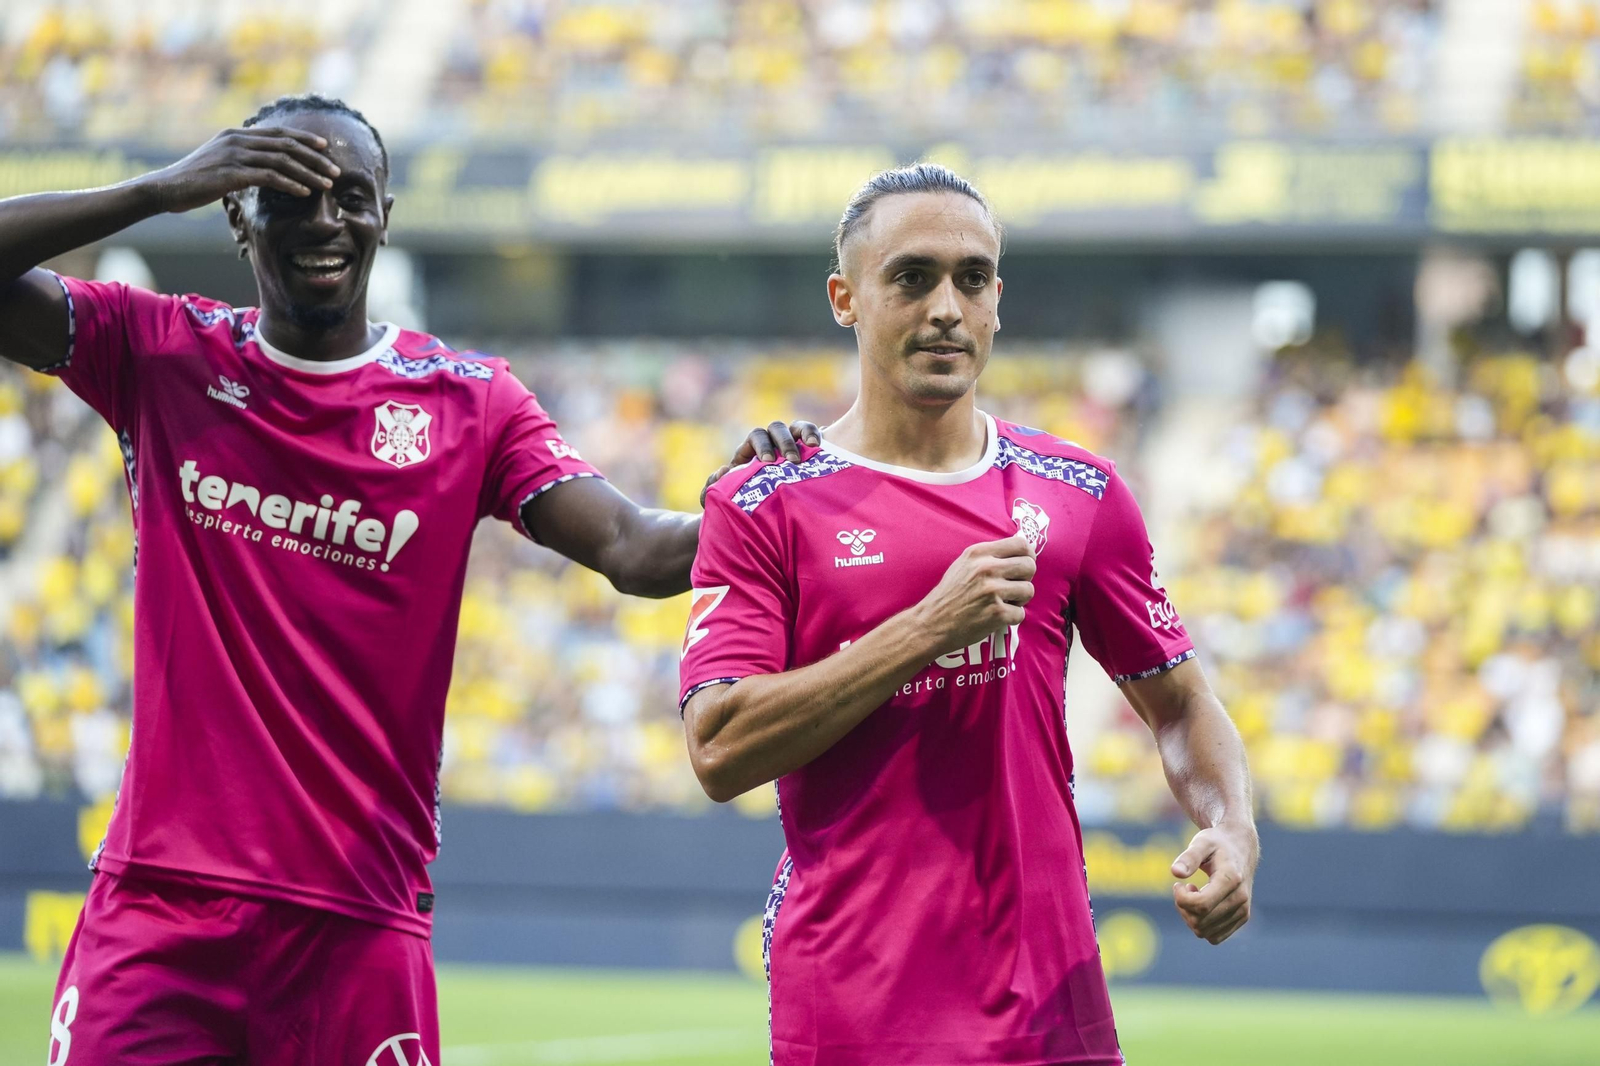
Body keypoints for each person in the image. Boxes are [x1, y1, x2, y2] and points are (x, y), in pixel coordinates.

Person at [0, 93, 814, 1066]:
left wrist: (748, 501)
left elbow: (633, 549)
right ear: (235, 213)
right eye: (287, 196)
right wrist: (159, 186)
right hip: (165, 912)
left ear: (384, 213)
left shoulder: (470, 403)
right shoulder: (164, 353)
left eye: (350, 195)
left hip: (359, 928)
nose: (324, 221)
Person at [680, 163, 1259, 1066]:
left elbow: (1181, 706)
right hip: (854, 1007)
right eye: (912, 278)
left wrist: (1232, 825)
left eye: (972, 278)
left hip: (1049, 1002)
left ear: (997, 301)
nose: (946, 306)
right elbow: (718, 749)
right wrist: (925, 628)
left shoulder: (1081, 492)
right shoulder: (763, 502)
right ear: (846, 298)